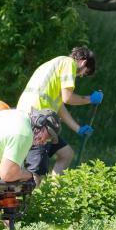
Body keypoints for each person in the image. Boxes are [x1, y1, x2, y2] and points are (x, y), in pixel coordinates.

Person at [16, 46, 103, 183]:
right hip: (36, 119)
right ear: (84, 62)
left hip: (37, 116)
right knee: (37, 171)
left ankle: (53, 196)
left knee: (66, 154)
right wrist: (89, 99)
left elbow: (60, 106)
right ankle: (31, 202)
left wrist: (78, 128)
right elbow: (68, 98)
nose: (80, 76)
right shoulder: (69, 63)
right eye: (85, 73)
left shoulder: (55, 64)